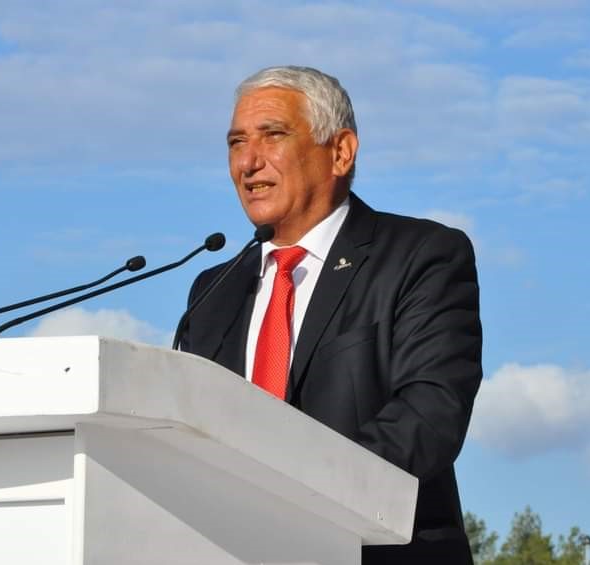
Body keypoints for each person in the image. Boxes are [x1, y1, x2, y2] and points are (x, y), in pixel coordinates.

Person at [178, 66, 482, 564]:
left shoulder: (420, 256)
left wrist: (290, 493)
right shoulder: (213, 292)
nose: (248, 162)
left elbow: (430, 414)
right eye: (236, 143)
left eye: (273, 135)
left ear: (340, 151)